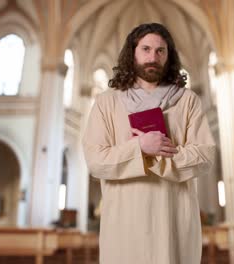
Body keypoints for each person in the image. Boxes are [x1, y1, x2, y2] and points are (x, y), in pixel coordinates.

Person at [83, 23, 216, 264]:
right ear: (132, 53)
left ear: (169, 55)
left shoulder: (187, 100)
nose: (152, 57)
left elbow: (204, 156)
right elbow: (95, 161)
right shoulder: (106, 103)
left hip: (173, 221)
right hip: (124, 225)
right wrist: (140, 148)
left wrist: (154, 157)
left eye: (160, 51)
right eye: (145, 49)